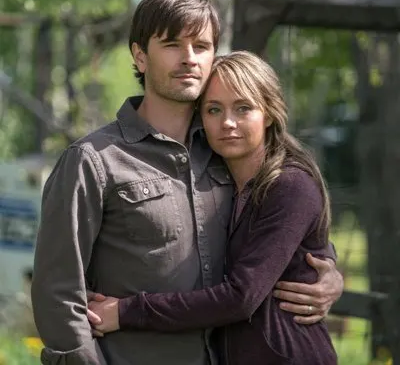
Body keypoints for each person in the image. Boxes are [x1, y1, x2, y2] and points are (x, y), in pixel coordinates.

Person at [31, 0, 343, 365]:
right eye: (172, 45)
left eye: (201, 45)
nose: (189, 59)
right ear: (140, 56)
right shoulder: (93, 161)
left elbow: (285, 227)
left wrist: (328, 275)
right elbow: (58, 293)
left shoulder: (226, 150)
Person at [88, 51, 338, 364]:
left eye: (243, 108)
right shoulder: (215, 177)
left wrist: (125, 312)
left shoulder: (290, 185)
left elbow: (241, 298)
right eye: (214, 109)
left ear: (269, 113)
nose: (228, 123)